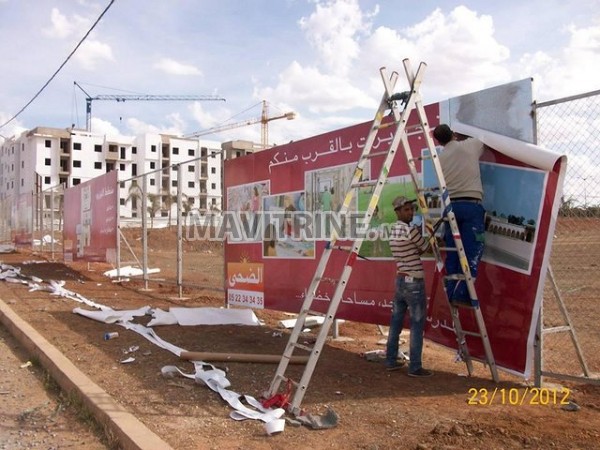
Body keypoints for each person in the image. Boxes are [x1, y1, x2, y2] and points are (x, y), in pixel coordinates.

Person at [433, 124, 486, 304]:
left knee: (454, 252)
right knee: (472, 250)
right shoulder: (469, 146)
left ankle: (450, 293)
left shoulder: (440, 158)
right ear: (454, 134)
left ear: (438, 142)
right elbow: (482, 139)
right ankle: (463, 294)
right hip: (471, 207)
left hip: (450, 209)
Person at [385, 195, 433, 377]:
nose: (411, 212)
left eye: (412, 208)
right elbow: (426, 247)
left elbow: (415, 249)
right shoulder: (410, 230)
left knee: (396, 322)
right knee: (417, 325)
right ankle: (415, 367)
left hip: (400, 281)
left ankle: (390, 360)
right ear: (397, 212)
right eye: (406, 209)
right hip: (414, 283)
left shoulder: (394, 230)